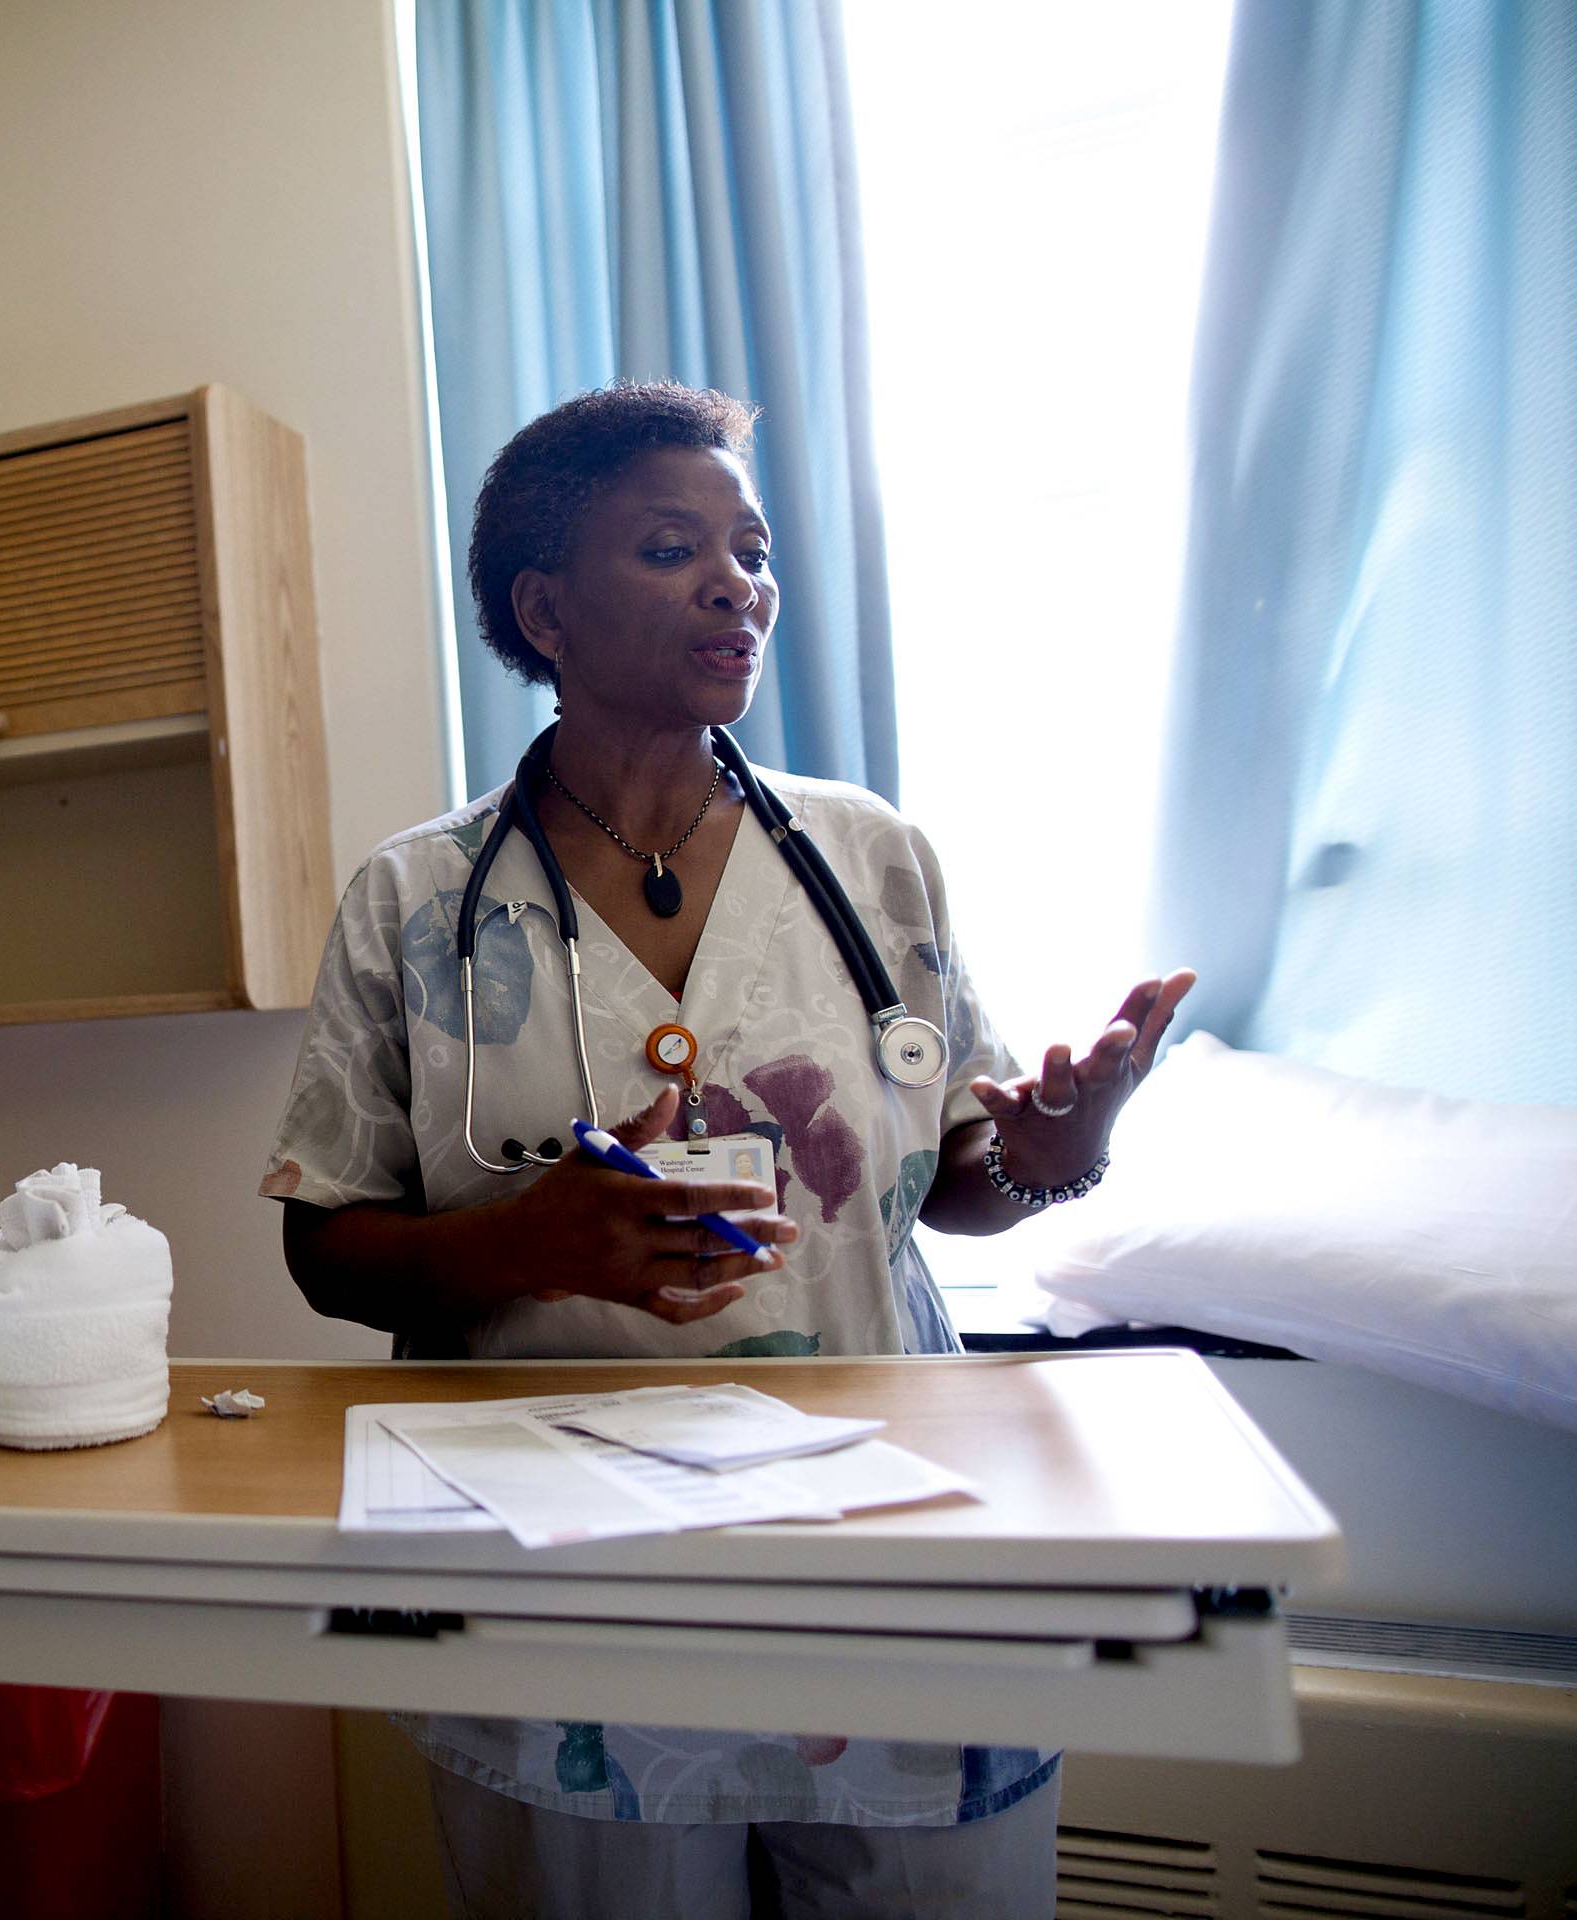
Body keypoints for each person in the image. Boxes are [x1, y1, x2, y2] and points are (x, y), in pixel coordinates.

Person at [262, 381, 1193, 1917]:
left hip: (881, 1557)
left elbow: (956, 1189)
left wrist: (1057, 1146)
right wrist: (523, 1242)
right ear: (545, 610)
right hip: (571, 1589)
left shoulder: (873, 859)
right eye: (673, 546)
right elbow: (323, 1243)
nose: (736, 581)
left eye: (750, 548)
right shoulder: (417, 903)